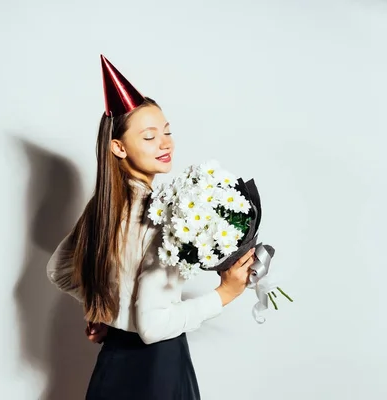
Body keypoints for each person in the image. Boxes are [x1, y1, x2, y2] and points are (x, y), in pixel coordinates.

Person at [46, 54, 256, 400]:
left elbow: (59, 271)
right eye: (149, 136)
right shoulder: (161, 216)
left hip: (112, 365)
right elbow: (154, 327)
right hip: (157, 373)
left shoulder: (102, 208)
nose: (165, 143)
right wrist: (226, 294)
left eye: (167, 131)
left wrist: (106, 308)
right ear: (118, 147)